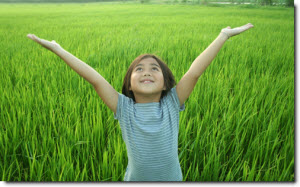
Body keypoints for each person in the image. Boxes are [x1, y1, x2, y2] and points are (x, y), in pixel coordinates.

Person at [27, 23, 254, 181]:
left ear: (166, 84)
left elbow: (194, 72)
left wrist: (223, 35)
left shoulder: (172, 103)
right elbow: (95, 79)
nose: (147, 72)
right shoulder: (124, 109)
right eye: (139, 69)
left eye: (154, 69)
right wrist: (58, 49)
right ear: (129, 84)